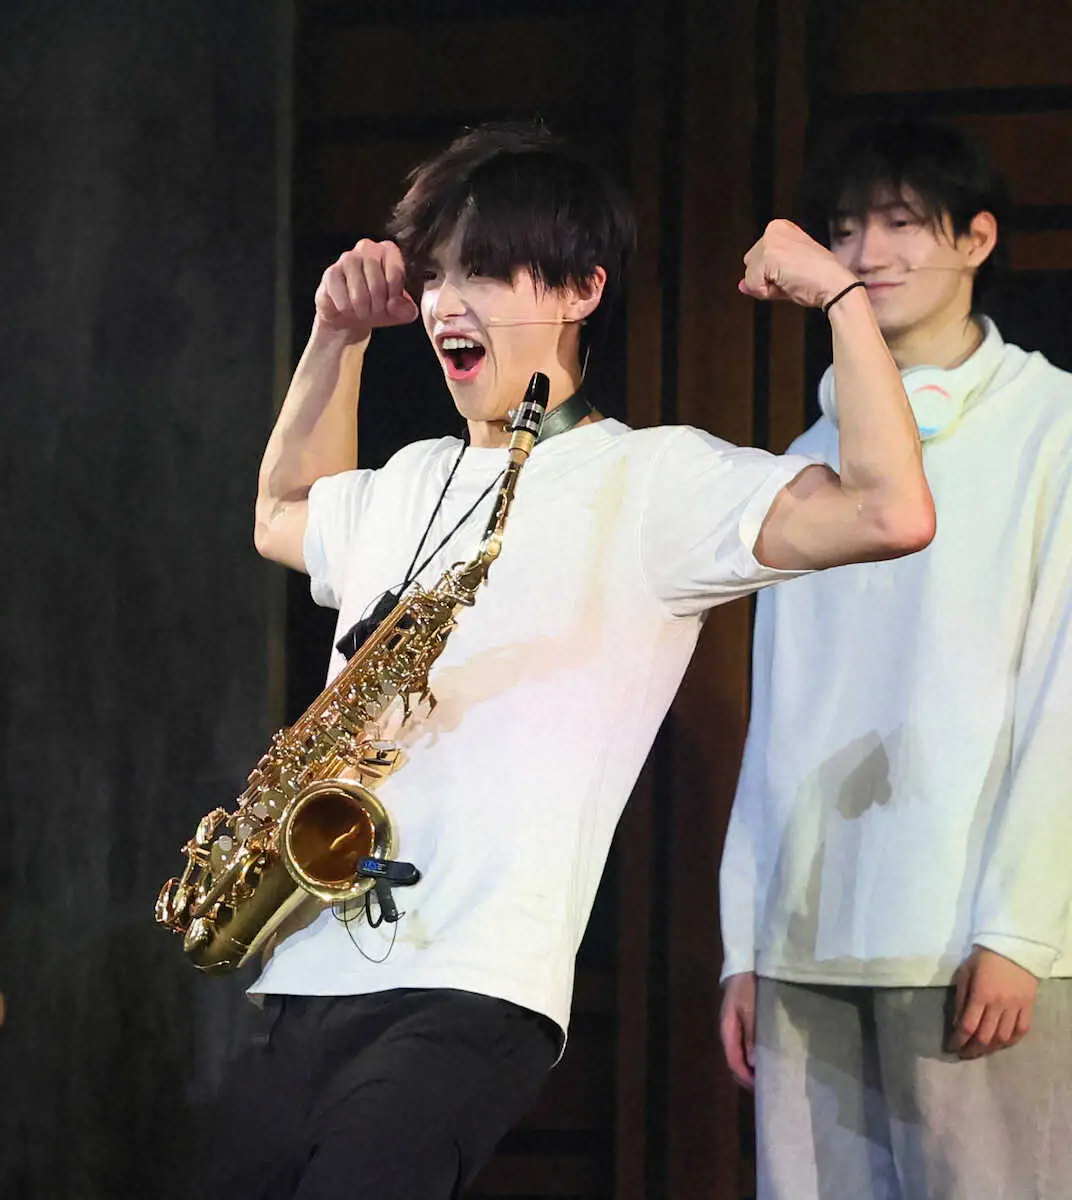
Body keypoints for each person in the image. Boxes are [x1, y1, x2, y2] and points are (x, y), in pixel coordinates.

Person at [213, 121, 933, 1199]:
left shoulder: (650, 483)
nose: (448, 305)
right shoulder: (405, 481)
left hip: (471, 985)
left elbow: (890, 510)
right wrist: (336, 335)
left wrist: (840, 299)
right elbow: (280, 512)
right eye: (436, 276)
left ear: (582, 289)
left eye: (487, 272)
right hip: (302, 972)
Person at [719, 117, 1072, 1199]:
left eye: (901, 223)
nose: (866, 253)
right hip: (807, 935)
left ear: (976, 239)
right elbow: (778, 711)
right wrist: (745, 938)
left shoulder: (1051, 426)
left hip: (970, 934)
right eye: (843, 229)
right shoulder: (808, 457)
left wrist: (1020, 927)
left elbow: (1062, 689)